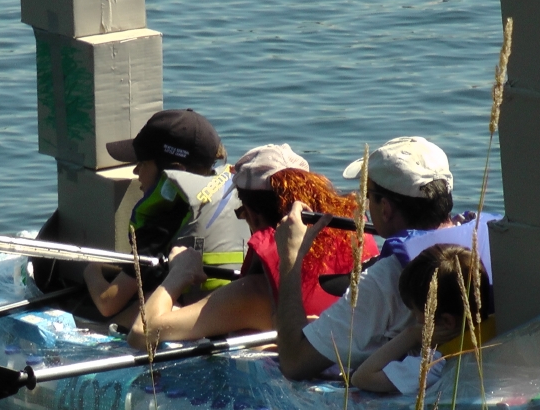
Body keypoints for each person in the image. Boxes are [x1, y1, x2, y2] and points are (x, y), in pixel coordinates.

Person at [274, 136, 495, 381]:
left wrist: (290, 259)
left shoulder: (385, 277)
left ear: (386, 208)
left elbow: (294, 362)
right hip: (488, 373)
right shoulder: (491, 240)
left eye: (368, 196)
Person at [126, 143, 376, 349]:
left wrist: (179, 273)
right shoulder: (356, 242)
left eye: (242, 213)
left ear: (254, 215)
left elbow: (142, 333)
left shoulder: (253, 295)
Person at [31, 109, 248, 326]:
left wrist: (92, 270)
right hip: (238, 307)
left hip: (200, 322)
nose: (136, 171)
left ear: (176, 171)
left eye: (142, 163)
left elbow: (108, 302)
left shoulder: (163, 222)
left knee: (126, 312)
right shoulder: (237, 196)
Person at [351, 244, 492, 395]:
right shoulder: (498, 328)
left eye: (415, 312)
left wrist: (412, 334)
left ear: (447, 321)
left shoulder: (437, 364)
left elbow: (361, 377)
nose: (415, 318)